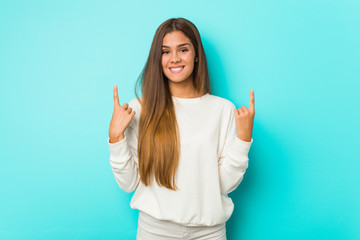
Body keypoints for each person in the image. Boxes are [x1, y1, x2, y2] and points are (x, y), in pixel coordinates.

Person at [108, 17, 255, 240]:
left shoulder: (222, 110)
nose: (174, 58)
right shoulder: (139, 109)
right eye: (165, 51)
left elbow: (224, 185)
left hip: (209, 233)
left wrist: (243, 140)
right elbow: (128, 183)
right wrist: (115, 138)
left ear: (196, 55)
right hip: (154, 231)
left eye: (183, 49)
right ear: (157, 59)